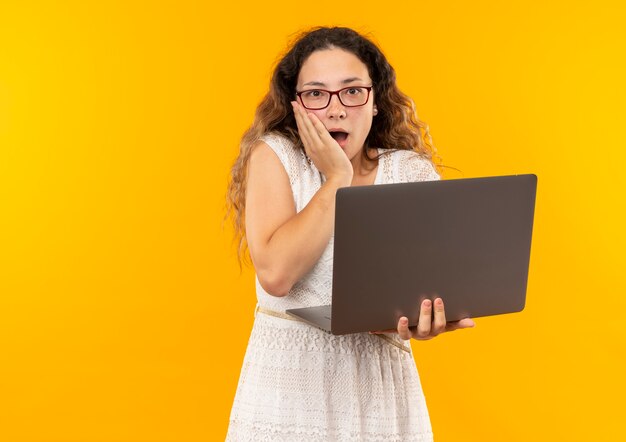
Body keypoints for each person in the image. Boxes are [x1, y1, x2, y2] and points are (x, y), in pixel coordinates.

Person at [225, 26, 475, 441]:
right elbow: (277, 275)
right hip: (289, 385)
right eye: (316, 94)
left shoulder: (409, 172)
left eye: (352, 91)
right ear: (296, 106)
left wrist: (422, 319)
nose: (336, 109)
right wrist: (337, 177)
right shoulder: (275, 156)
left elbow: (421, 284)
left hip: (379, 388)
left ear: (375, 101)